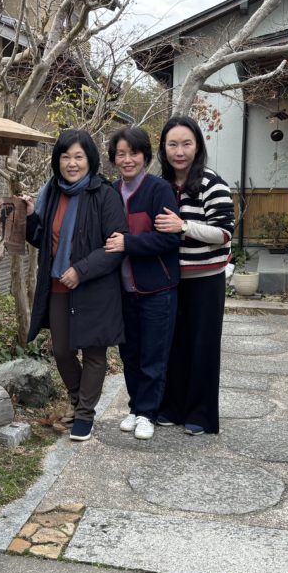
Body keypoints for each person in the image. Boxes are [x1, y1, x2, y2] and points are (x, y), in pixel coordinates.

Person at [23, 129, 127, 443]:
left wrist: (81, 271)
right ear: (57, 160)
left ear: (90, 160)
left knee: (94, 351)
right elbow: (42, 240)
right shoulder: (52, 193)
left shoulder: (104, 194)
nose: (72, 163)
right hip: (57, 284)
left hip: (94, 285)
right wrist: (31, 216)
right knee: (61, 349)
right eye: (65, 156)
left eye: (78, 157)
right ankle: (77, 398)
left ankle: (84, 415)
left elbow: (116, 246)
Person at [154, 115, 235, 435]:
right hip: (170, 279)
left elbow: (224, 233)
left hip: (205, 279)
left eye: (186, 144)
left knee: (203, 346)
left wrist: (184, 226)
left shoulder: (212, 183)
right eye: (172, 144)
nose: (179, 151)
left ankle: (200, 415)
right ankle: (171, 408)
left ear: (197, 146)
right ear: (163, 148)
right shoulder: (161, 184)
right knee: (173, 345)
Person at [103, 127, 180, 441]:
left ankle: (148, 413)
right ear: (113, 159)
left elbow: (170, 238)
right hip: (122, 290)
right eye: (121, 154)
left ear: (145, 156)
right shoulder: (110, 192)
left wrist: (129, 243)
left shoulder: (158, 190)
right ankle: (135, 408)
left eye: (133, 153)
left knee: (153, 355)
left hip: (157, 288)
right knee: (130, 354)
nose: (127, 159)